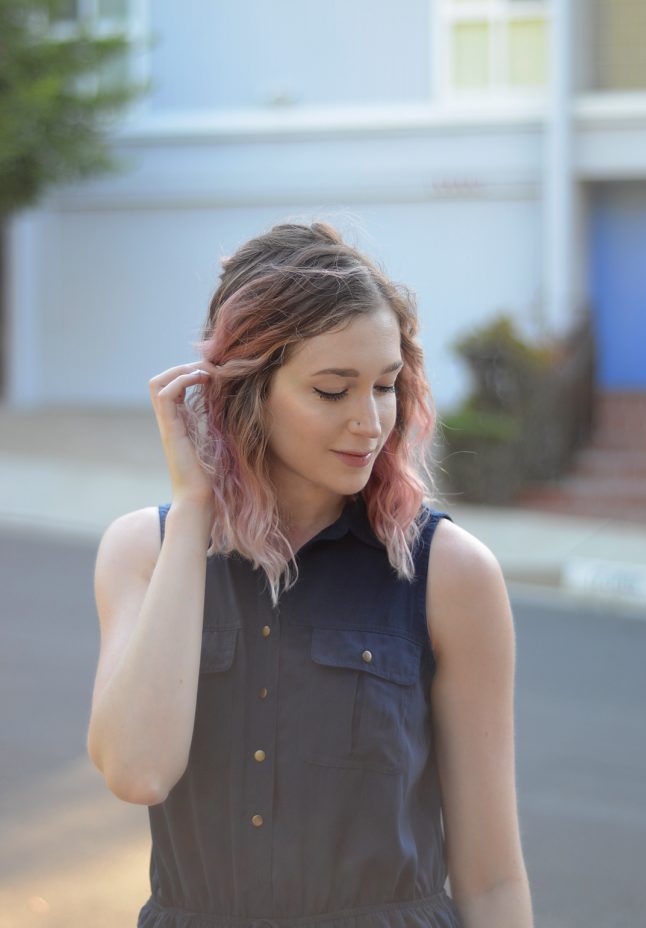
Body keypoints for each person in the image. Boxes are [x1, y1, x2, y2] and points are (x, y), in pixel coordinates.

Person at [86, 221, 534, 928]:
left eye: (387, 387)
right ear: (244, 391)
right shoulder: (143, 550)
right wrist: (198, 507)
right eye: (332, 391)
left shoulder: (451, 574)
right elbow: (137, 771)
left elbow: (493, 879)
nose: (370, 421)